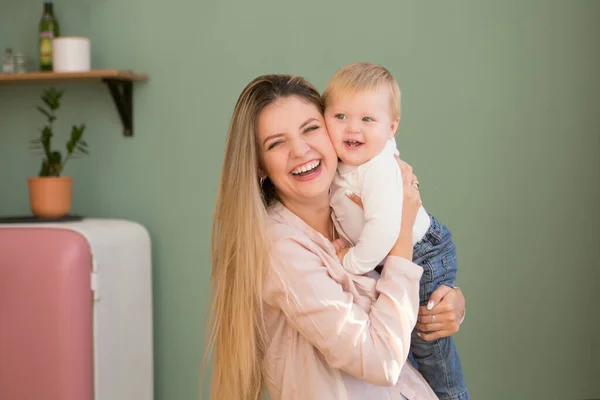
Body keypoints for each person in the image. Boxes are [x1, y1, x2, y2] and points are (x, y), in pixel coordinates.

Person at [204, 73, 466, 400]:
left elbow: (399, 295)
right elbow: (381, 360)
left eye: (311, 128)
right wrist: (400, 236)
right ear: (259, 165)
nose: (300, 150)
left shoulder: (349, 208)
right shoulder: (280, 247)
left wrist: (444, 302)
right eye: (276, 143)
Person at [323, 62, 468, 400]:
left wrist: (351, 262)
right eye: (340, 116)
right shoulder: (348, 165)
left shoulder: (378, 169)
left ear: (392, 127)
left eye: (367, 119)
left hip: (422, 251)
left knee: (427, 346)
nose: (352, 129)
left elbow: (386, 228)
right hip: (392, 252)